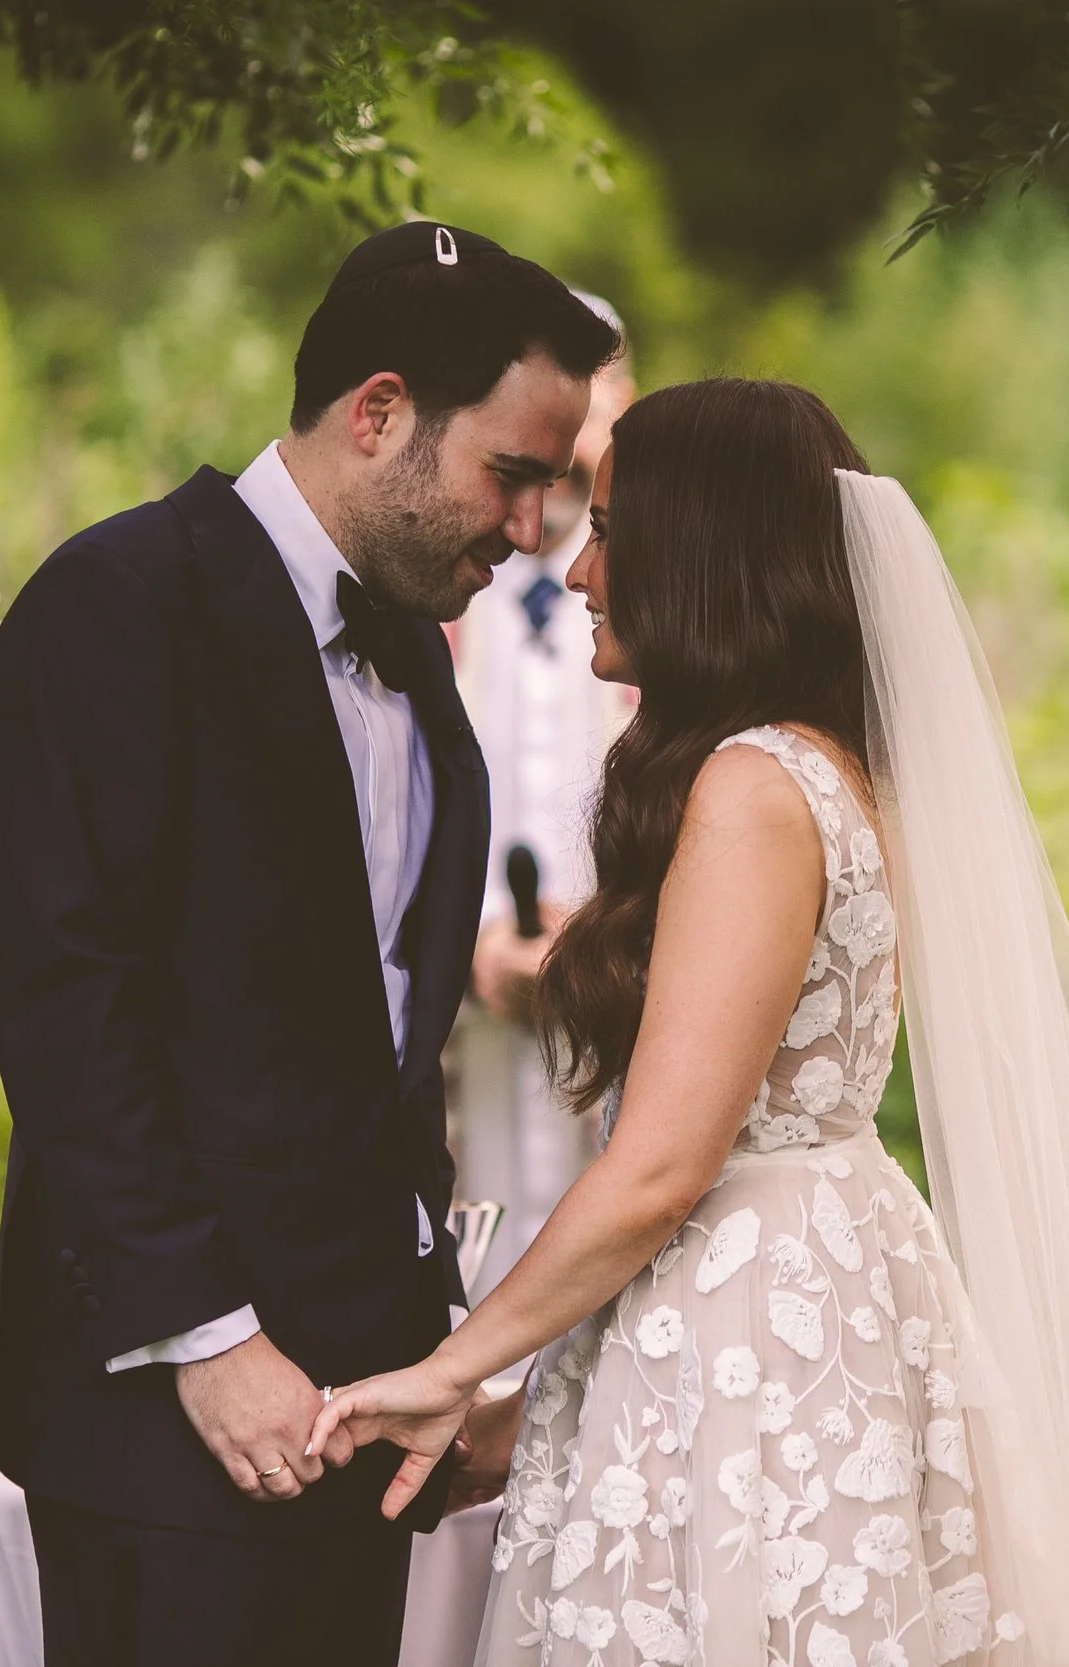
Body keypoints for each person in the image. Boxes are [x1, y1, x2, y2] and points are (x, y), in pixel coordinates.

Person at [304, 380, 1069, 1664]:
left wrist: (446, 1368)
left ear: (705, 556)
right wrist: (538, 1407)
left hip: (756, 1326)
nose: (580, 565)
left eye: (616, 527)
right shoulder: (831, 767)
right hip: (797, 1290)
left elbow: (664, 1168)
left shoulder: (754, 789)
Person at [0, 219, 619, 1667]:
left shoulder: (419, 672)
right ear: (379, 412)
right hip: (166, 1431)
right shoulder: (118, 604)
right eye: (511, 474)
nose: (531, 530)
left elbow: (384, 1051)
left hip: (363, 1424)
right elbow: (74, 1012)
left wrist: (429, 1345)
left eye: (555, 489)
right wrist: (209, 1341)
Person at [447, 293, 637, 1301]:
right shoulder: (428, 604)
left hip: (613, 1010)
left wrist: (594, 943)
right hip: (462, 1031)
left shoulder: (655, 615)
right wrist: (472, 952)